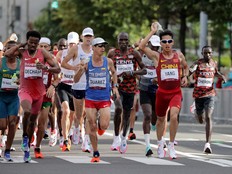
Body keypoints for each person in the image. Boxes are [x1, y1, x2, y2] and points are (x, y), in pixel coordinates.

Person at [4, 30, 61, 162]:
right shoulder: (22, 52)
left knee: (33, 121)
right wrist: (20, 45)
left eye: (36, 43)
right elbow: (7, 54)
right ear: (27, 41)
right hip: (25, 90)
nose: (33, 45)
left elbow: (57, 68)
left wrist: (46, 68)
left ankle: (27, 147)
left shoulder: (43, 53)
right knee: (27, 111)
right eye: (31, 42)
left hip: (39, 92)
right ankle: (25, 136)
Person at [139, 22, 189, 159]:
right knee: (160, 120)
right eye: (164, 41)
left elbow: (186, 66)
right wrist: (152, 31)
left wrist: (185, 76)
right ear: (160, 43)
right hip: (161, 93)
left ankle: (171, 145)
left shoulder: (178, 55)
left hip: (175, 92)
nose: (167, 44)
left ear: (172, 42)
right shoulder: (156, 56)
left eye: (169, 41)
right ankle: (160, 143)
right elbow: (141, 47)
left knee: (173, 116)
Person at [74, 37, 119, 162]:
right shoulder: (87, 62)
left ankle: (100, 127)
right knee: (92, 125)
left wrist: (115, 87)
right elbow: (76, 80)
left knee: (104, 125)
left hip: (104, 98)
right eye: (99, 46)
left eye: (103, 46)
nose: (102, 48)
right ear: (93, 48)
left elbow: (114, 73)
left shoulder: (108, 61)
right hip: (90, 98)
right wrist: (81, 69)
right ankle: (95, 152)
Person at [108, 32, 147, 154]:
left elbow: (144, 70)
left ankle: (124, 137)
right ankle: (116, 137)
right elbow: (106, 68)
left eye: (125, 40)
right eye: (121, 40)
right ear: (118, 41)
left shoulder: (134, 53)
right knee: (118, 108)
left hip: (130, 88)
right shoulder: (113, 53)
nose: (123, 42)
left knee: (126, 114)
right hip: (117, 87)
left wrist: (133, 73)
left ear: (128, 41)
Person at [61, 27, 94, 153]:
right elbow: (63, 63)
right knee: (79, 115)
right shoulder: (76, 49)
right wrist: (75, 68)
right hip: (77, 85)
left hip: (91, 86)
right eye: (86, 36)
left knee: (89, 115)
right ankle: (76, 128)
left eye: (90, 36)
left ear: (93, 37)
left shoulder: (95, 49)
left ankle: (86, 141)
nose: (88, 38)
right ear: (82, 37)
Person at [189, 45, 226, 154]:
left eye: (209, 53)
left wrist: (222, 77)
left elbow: (216, 73)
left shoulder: (213, 63)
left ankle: (207, 144)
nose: (207, 55)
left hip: (210, 94)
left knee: (209, 116)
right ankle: (196, 109)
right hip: (198, 95)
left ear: (212, 53)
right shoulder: (198, 63)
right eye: (205, 53)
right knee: (201, 120)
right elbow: (189, 72)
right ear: (202, 53)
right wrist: (189, 72)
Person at [33, 37, 60, 158]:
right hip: (32, 94)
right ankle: (29, 138)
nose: (43, 49)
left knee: (42, 123)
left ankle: (37, 147)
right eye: (41, 46)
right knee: (31, 121)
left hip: (46, 95)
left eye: (45, 46)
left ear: (49, 48)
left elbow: (59, 77)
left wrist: (52, 86)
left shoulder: (52, 60)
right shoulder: (32, 58)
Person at [56, 32, 79, 151]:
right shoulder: (62, 53)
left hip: (75, 87)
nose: (71, 46)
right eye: (70, 44)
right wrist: (57, 74)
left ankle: (68, 133)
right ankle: (64, 139)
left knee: (72, 116)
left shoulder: (80, 54)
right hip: (63, 85)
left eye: (74, 44)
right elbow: (54, 66)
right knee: (65, 111)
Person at [0, 40, 20, 161]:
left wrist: (21, 82)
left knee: (12, 123)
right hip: (1, 96)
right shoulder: (1, 62)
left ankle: (7, 150)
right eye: (8, 49)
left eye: (14, 49)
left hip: (14, 97)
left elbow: (25, 79)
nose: (11, 52)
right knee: (2, 124)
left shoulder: (20, 63)